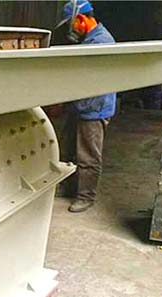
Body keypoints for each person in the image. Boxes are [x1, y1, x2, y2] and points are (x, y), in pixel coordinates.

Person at [56, 0, 116, 213]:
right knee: (69, 149)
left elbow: (91, 79)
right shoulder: (89, 40)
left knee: (88, 156)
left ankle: (86, 197)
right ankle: (68, 188)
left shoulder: (101, 43)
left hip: (94, 108)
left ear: (81, 19)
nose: (70, 31)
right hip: (80, 105)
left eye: (70, 25)